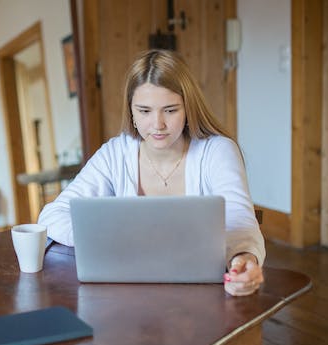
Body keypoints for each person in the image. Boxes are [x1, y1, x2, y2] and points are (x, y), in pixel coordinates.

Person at [38, 49, 265, 296]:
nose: (157, 124)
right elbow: (52, 215)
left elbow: (240, 221)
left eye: (170, 110)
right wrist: (103, 239)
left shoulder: (217, 151)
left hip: (201, 293)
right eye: (145, 111)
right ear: (132, 112)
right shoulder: (115, 153)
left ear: (188, 108)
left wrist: (244, 260)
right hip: (127, 295)